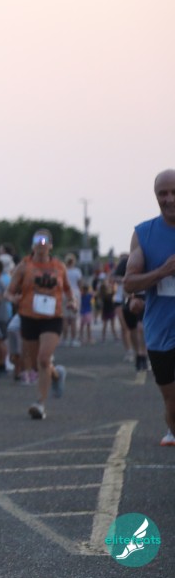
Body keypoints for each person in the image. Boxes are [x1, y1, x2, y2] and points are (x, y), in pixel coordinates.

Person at [123, 169, 175, 446]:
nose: (169, 199)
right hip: (161, 331)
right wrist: (162, 271)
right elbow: (129, 282)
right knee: (171, 401)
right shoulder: (144, 234)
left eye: (174, 193)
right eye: (162, 194)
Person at [6, 229, 74, 420]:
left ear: (50, 245)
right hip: (29, 317)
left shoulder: (59, 266)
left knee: (44, 359)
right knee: (37, 364)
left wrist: (72, 301)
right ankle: (56, 374)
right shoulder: (24, 266)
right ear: (33, 244)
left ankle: (40, 404)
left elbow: (68, 289)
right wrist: (13, 298)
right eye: (37, 240)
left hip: (52, 317)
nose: (41, 244)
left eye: (45, 241)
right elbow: (9, 291)